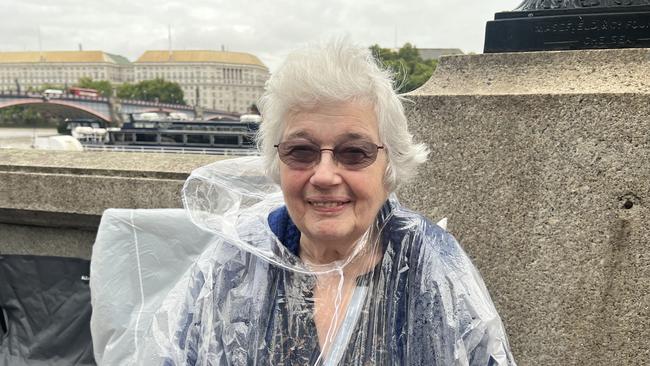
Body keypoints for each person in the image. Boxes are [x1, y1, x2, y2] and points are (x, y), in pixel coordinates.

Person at [90, 40, 516, 365]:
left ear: (390, 166)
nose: (325, 175)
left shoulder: (432, 269)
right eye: (302, 151)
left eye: (354, 153)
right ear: (279, 163)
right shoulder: (235, 268)